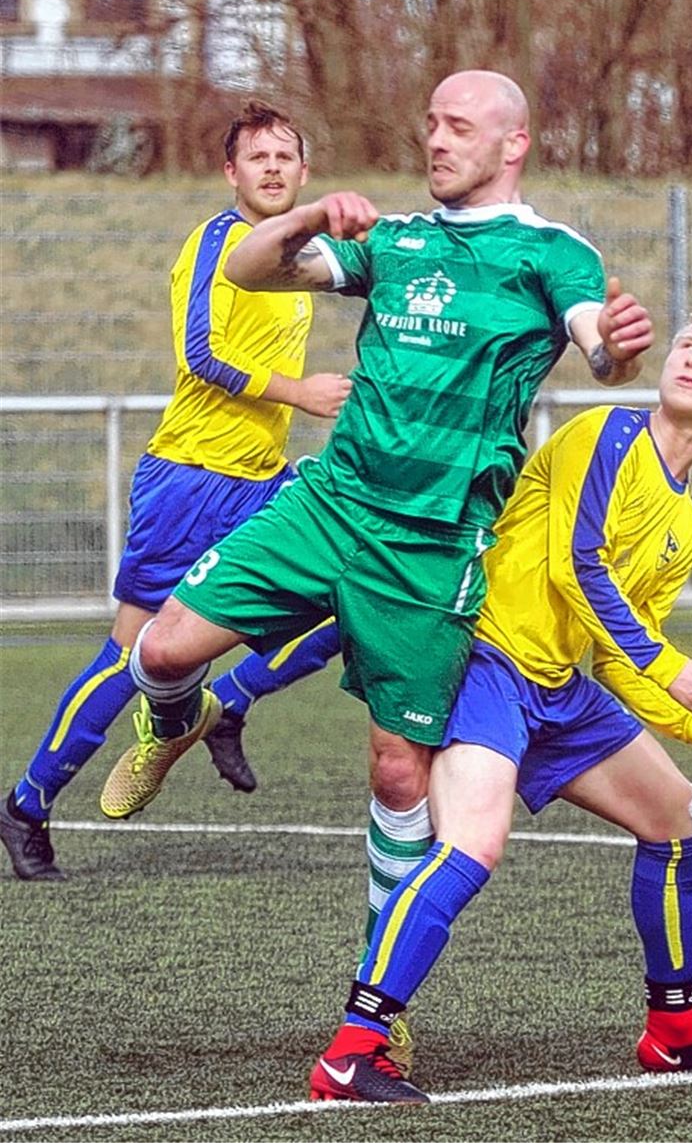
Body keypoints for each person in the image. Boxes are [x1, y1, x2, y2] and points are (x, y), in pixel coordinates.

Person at [98, 68, 653, 967]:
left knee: (398, 771)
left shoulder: (554, 253)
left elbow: (600, 346)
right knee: (158, 651)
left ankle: (377, 992)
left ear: (513, 144)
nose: (436, 139)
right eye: (431, 122)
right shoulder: (395, 240)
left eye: (460, 126)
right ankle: (174, 723)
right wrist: (308, 217)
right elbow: (250, 266)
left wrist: (618, 350)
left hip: (431, 549)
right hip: (331, 502)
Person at [308, 305, 692, 1105]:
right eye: (688, 344)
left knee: (681, 821)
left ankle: (675, 1031)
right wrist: (671, 669)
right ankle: (353, 1050)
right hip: (488, 660)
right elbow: (577, 567)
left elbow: (617, 653)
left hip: (560, 688)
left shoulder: (685, 524)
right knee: (472, 844)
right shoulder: (607, 434)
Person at [0, 100, 349, 883]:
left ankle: (227, 704)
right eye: (255, 156)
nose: (270, 167)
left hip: (260, 485)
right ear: (231, 171)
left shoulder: (303, 258)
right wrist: (299, 392)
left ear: (304, 172)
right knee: (129, 655)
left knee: (357, 585)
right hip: (190, 482)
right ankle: (26, 802)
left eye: (284, 156)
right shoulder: (217, 244)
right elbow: (200, 355)